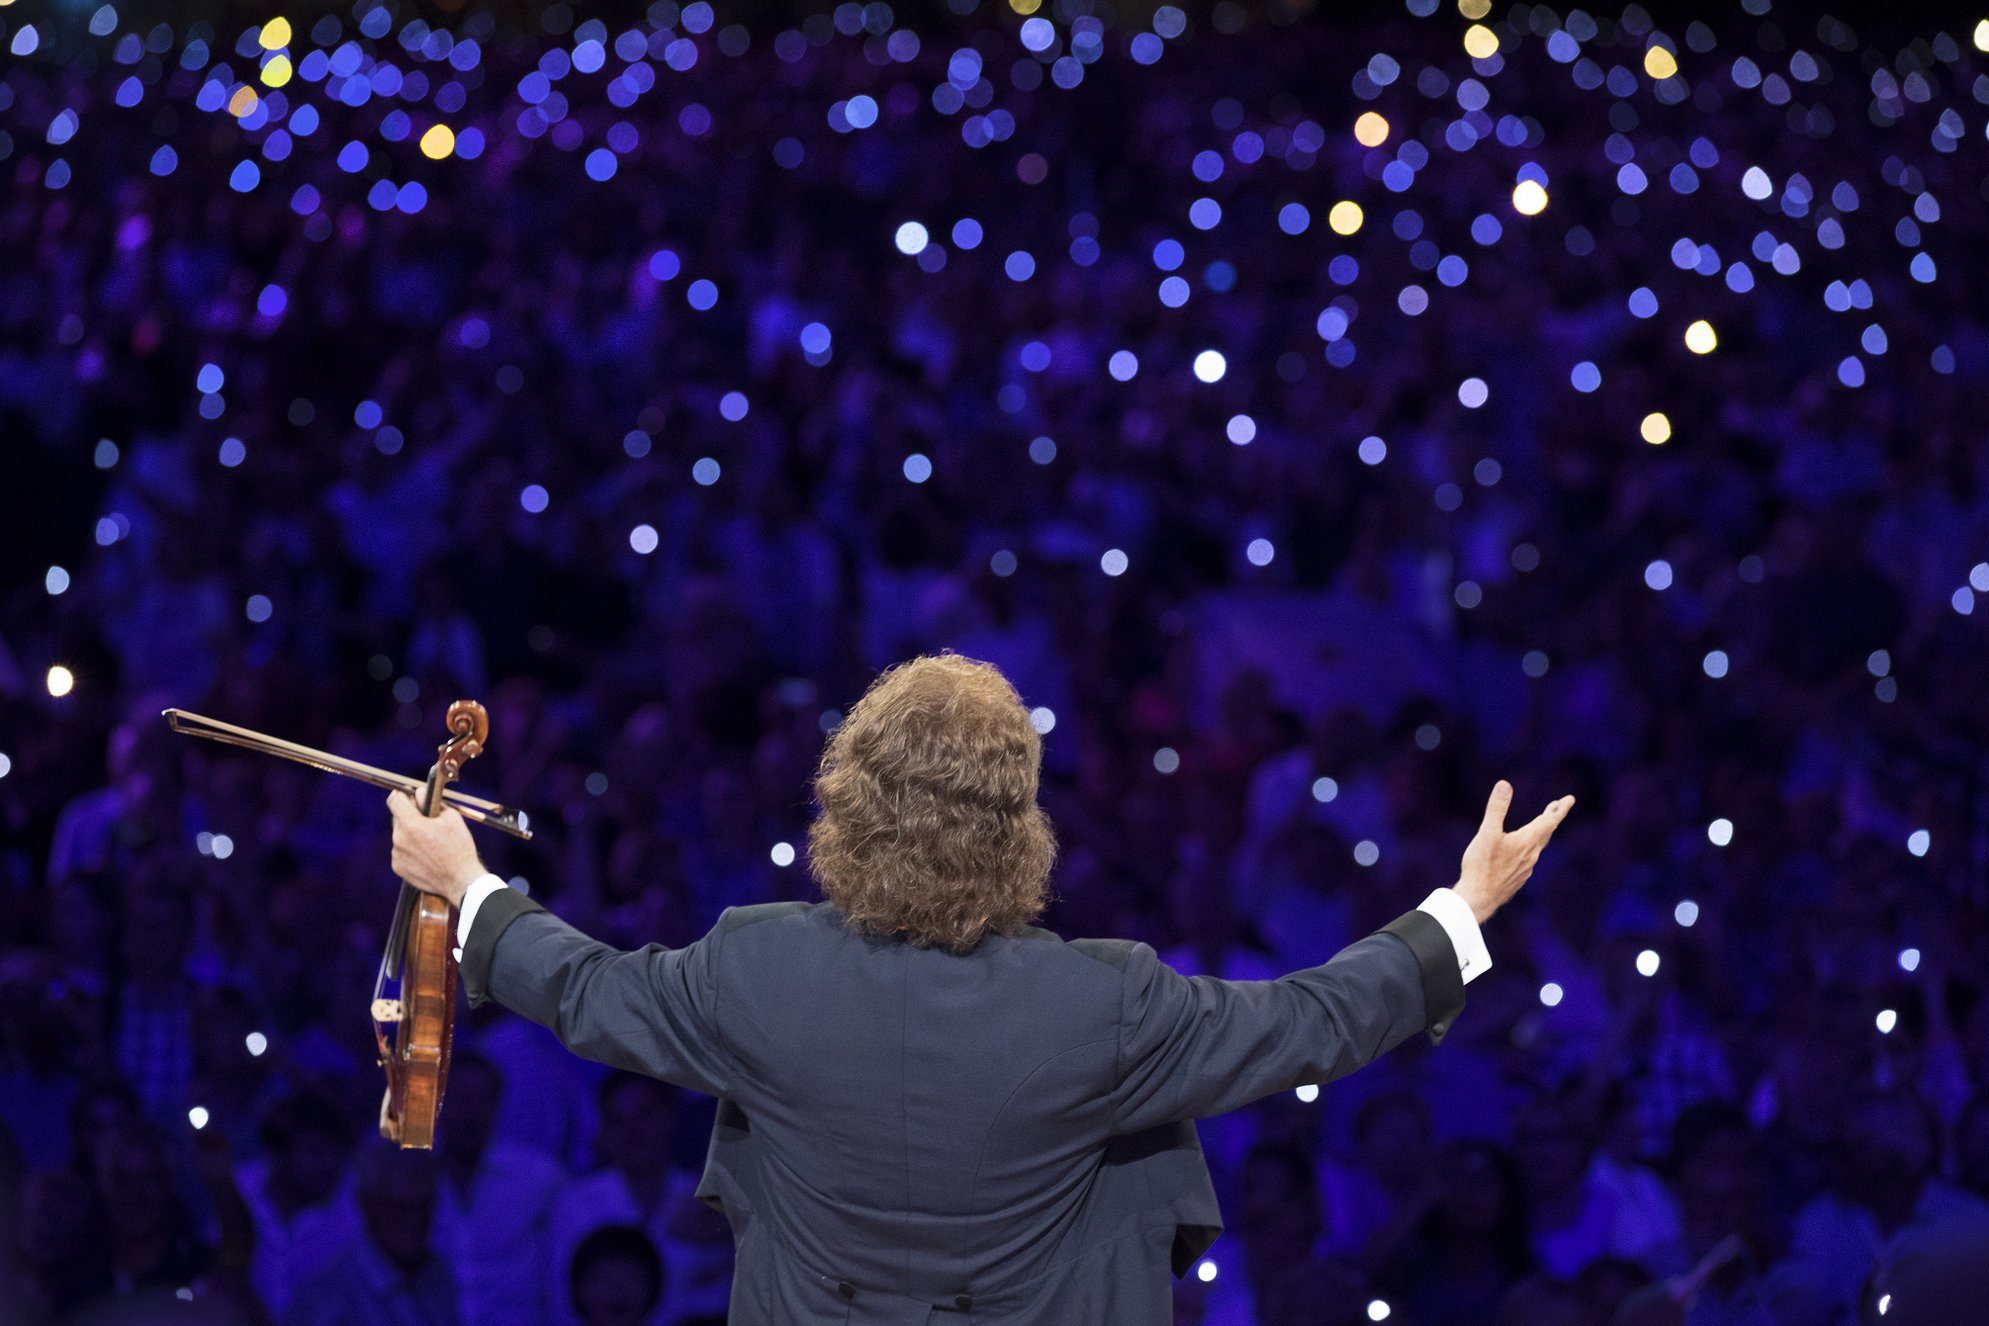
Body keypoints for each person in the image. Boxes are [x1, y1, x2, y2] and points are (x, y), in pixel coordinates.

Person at [388, 654, 1576, 1323]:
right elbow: (1317, 1021)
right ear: (1018, 831)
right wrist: (1462, 913)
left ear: (844, 807)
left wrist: (469, 886)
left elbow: (586, 991)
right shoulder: (1108, 1005)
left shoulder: (759, 968)